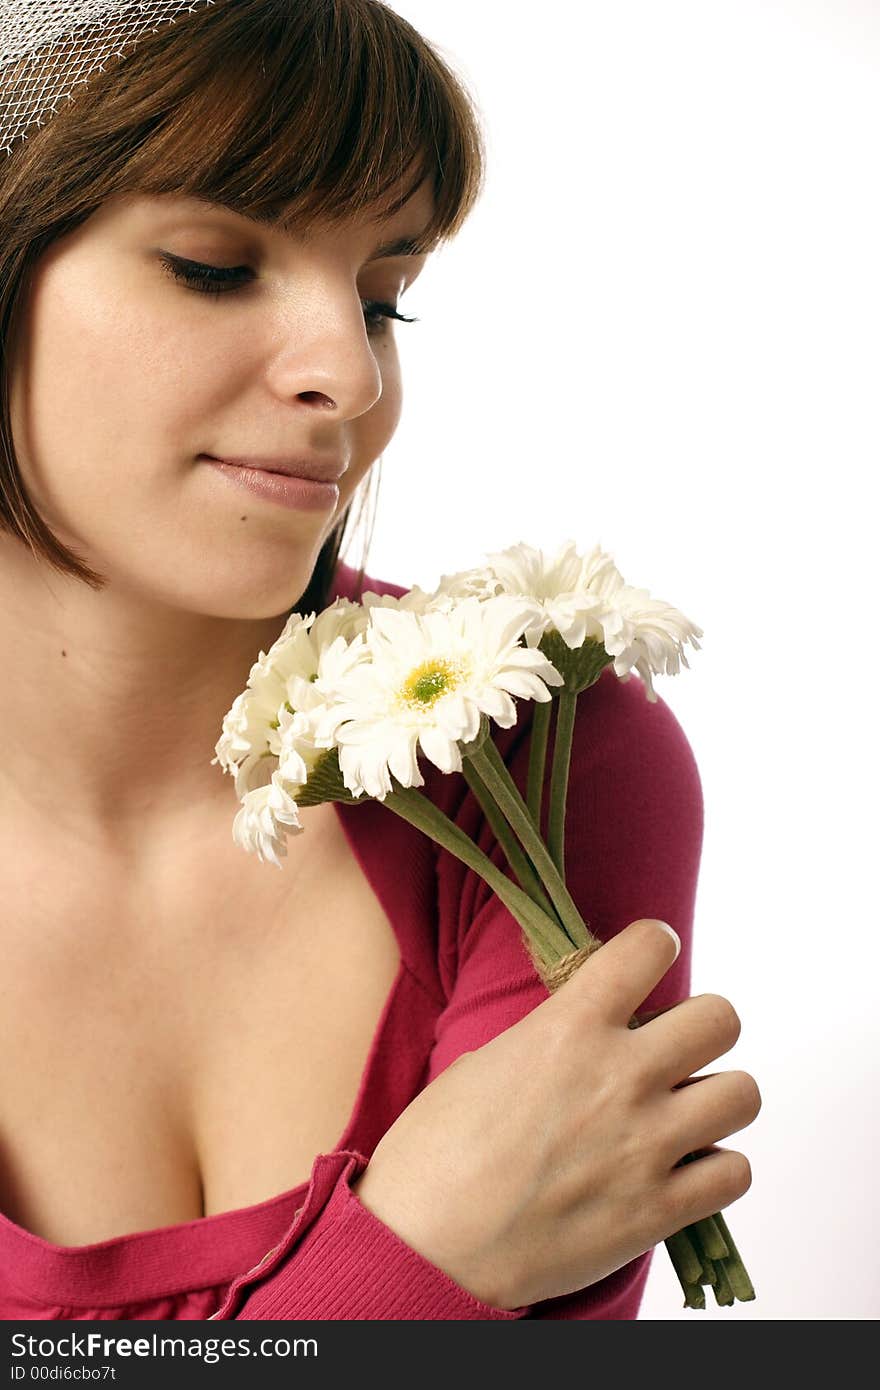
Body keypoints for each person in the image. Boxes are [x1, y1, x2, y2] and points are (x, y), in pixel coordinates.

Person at [0, 0, 760, 1321]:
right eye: (213, 265)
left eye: (382, 298)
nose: (348, 378)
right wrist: (417, 1257)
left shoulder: (533, 745)